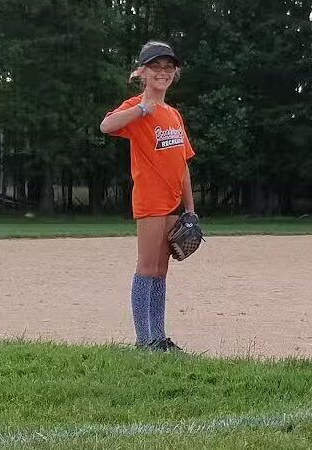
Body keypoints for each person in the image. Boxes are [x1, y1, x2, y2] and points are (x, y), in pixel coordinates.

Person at [100, 41, 196, 352]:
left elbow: (182, 165)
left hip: (172, 205)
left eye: (169, 67)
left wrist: (191, 210)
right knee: (146, 267)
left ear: (175, 73)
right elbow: (106, 125)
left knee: (160, 270)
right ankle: (145, 340)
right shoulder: (136, 109)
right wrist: (142, 108)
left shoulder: (174, 114)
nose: (163, 72)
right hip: (150, 201)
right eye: (155, 66)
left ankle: (159, 337)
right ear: (142, 71)